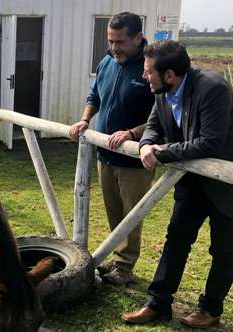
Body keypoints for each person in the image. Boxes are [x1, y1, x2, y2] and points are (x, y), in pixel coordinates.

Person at [122, 40, 233, 328]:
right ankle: (158, 304)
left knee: (223, 248)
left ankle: (210, 310)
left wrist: (162, 153)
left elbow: (210, 142)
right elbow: (154, 125)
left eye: (148, 72)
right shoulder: (162, 91)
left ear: (169, 75)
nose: (144, 77)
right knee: (176, 237)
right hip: (194, 177)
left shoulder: (212, 88)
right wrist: (145, 145)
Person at [68, 12, 155, 285]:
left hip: (134, 160)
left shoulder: (151, 67)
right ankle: (116, 259)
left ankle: (125, 267)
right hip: (105, 154)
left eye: (120, 42)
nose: (114, 47)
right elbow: (94, 95)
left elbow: (161, 114)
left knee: (131, 215)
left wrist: (132, 133)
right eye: (110, 41)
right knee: (113, 211)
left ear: (137, 38)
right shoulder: (107, 61)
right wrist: (84, 119)